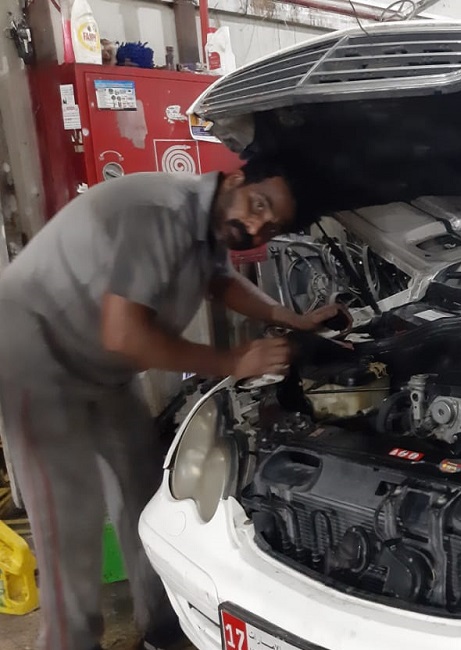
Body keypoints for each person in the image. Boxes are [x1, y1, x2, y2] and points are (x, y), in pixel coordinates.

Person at [0, 158, 350, 650]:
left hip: (100, 364)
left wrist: (290, 318)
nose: (256, 228)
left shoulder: (208, 223)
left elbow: (220, 281)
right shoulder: (160, 212)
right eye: (258, 206)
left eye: (270, 227)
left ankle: (164, 626)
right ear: (234, 179)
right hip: (33, 354)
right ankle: (68, 641)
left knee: (144, 487)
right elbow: (124, 335)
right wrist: (234, 361)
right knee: (69, 514)